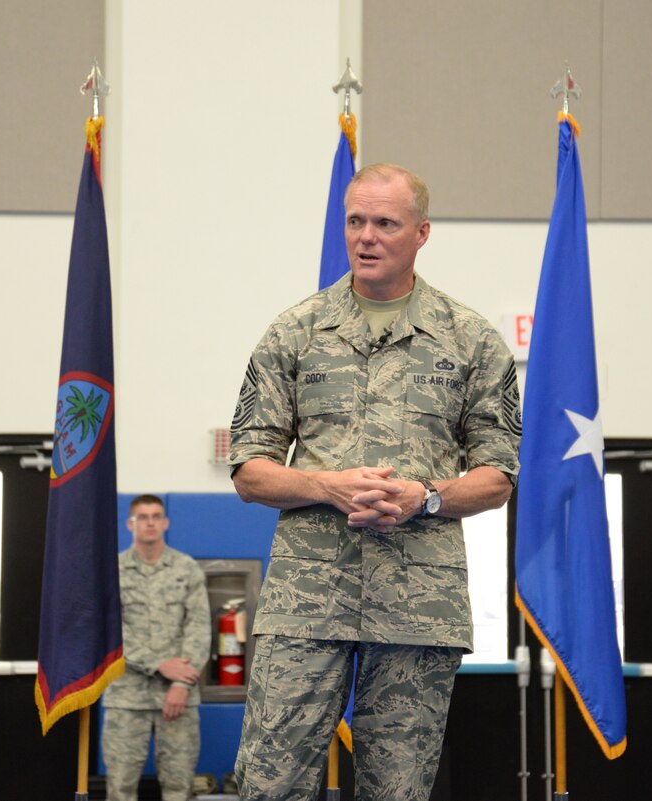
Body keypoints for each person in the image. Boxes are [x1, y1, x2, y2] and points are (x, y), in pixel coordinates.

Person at [228, 163, 522, 801]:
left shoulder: (471, 340)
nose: (366, 237)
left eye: (385, 223)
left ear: (420, 233)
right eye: (355, 221)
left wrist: (428, 497)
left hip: (419, 603)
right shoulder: (294, 332)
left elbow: (498, 476)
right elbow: (249, 470)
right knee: (270, 785)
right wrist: (327, 486)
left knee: (398, 791)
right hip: (307, 600)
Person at [102, 494, 211, 801]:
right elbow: (111, 632)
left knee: (179, 788)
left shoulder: (186, 568)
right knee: (120, 789)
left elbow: (199, 627)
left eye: (155, 516)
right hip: (126, 697)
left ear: (165, 523)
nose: (149, 523)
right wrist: (158, 663)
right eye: (142, 517)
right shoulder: (113, 571)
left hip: (177, 697)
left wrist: (180, 683)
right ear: (130, 524)